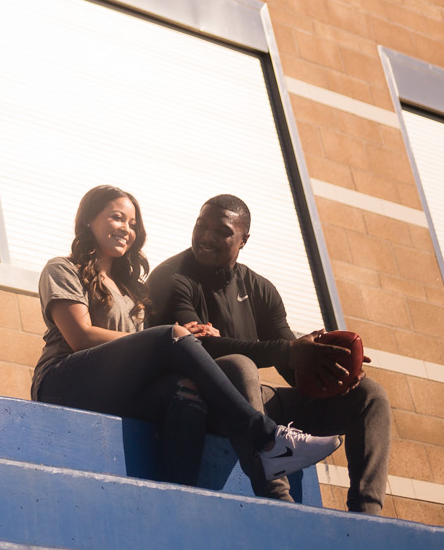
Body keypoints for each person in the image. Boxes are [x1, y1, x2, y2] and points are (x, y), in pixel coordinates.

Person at [31, 184, 340, 491]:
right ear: (88, 220)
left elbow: (143, 349)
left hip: (112, 388)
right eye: (117, 218)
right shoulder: (62, 268)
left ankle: (180, 499)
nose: (126, 229)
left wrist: (188, 336)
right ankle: (268, 438)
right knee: (170, 337)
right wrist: (166, 337)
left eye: (132, 224)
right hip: (63, 382)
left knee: (186, 390)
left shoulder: (132, 290)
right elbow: (81, 337)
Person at [147, 194, 393, 514]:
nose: (206, 236)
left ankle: (368, 513)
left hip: (255, 403)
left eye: (221, 231)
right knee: (238, 364)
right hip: (201, 404)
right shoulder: (171, 278)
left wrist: (331, 368)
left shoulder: (260, 289)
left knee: (370, 393)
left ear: (243, 240)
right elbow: (195, 348)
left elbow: (293, 367)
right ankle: (276, 495)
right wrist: (287, 352)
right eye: (200, 225)